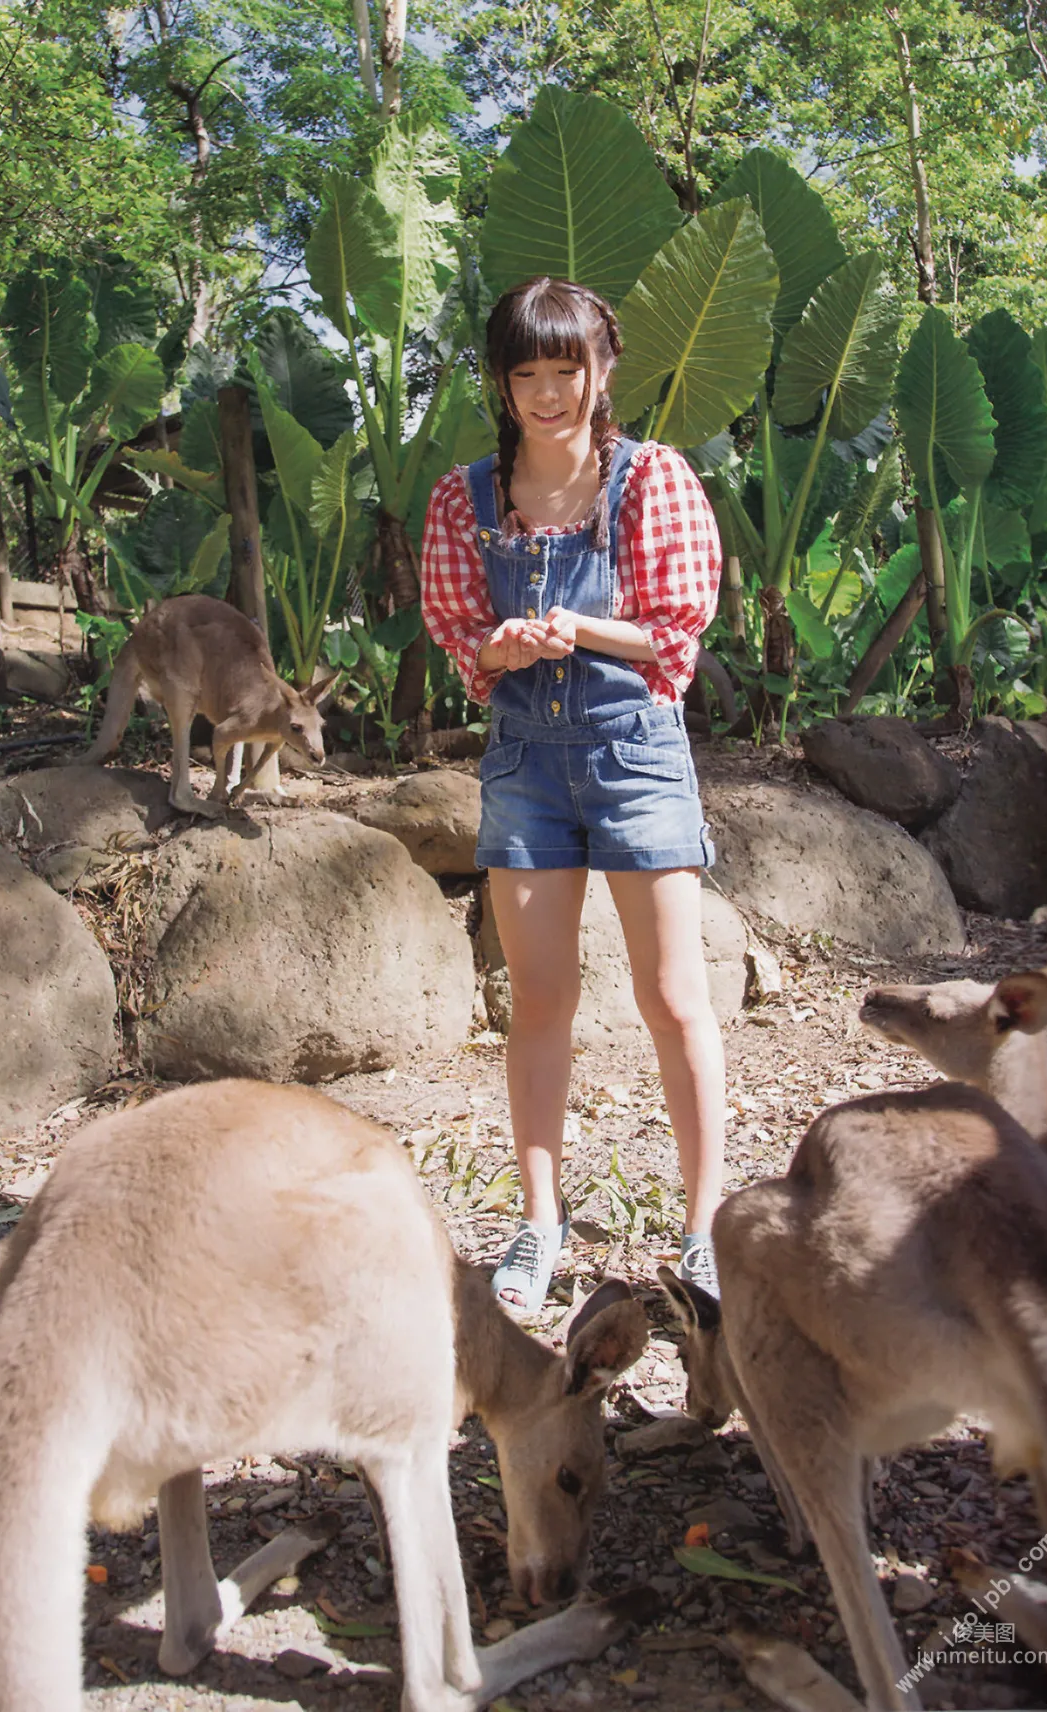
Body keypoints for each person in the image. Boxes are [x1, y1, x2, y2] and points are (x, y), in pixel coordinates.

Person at [421, 275, 725, 1316]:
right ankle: (539, 1220)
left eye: (569, 370)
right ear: (503, 385)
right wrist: (497, 647)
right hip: (524, 766)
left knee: (675, 998)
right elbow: (461, 632)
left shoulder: (651, 479)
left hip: (635, 749)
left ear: (605, 370)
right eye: (528, 374)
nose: (551, 393)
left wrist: (575, 626)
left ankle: (706, 1226)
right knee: (539, 1001)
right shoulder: (465, 497)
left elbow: (677, 634)